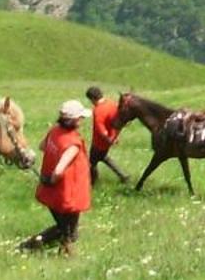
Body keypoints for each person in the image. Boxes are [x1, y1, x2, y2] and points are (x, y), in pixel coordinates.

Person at [21, 100, 90, 254]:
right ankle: (31, 245)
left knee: (65, 229)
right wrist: (52, 180)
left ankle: (38, 246)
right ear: (74, 120)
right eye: (80, 117)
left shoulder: (54, 132)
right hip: (66, 194)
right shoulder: (73, 144)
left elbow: (42, 146)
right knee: (69, 233)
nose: (82, 120)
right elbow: (59, 171)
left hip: (51, 193)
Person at [85, 86, 128, 183]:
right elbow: (118, 121)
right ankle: (123, 175)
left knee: (92, 163)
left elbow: (100, 129)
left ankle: (92, 182)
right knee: (103, 157)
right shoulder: (112, 104)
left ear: (92, 98)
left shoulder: (98, 110)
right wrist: (115, 136)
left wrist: (108, 138)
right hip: (110, 139)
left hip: (99, 142)